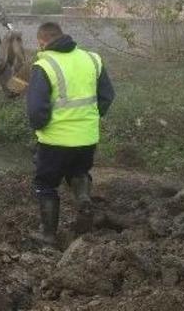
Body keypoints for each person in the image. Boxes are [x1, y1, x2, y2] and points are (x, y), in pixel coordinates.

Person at [26, 22, 115, 245]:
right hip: (86, 137)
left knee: (46, 184)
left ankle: (47, 235)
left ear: (42, 41)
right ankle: (83, 198)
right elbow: (107, 96)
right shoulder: (92, 59)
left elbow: (36, 110)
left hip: (55, 140)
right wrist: (89, 119)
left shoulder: (44, 64)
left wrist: (40, 128)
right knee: (79, 171)